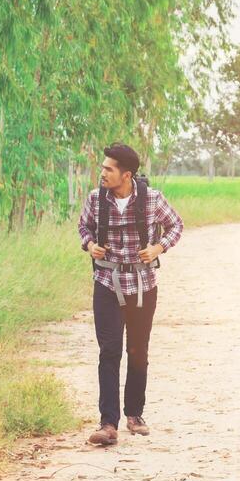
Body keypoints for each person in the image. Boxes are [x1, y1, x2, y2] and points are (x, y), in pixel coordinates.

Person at [77, 143, 184, 447]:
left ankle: (134, 414)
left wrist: (158, 247)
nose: (102, 173)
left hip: (142, 285)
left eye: (108, 169)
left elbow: (176, 225)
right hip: (106, 282)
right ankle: (108, 423)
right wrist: (89, 245)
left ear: (126, 175)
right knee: (108, 351)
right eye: (103, 167)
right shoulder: (96, 200)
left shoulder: (152, 199)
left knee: (138, 351)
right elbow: (83, 227)